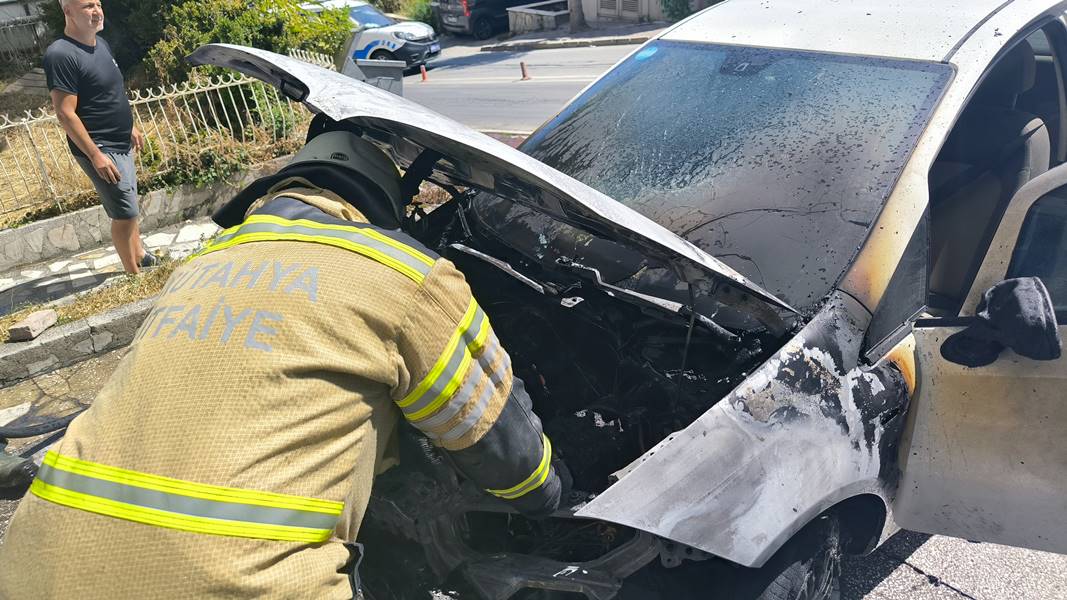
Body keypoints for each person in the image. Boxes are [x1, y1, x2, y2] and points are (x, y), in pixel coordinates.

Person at [0, 127, 564, 599]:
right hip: (240, 584)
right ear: (379, 206)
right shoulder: (406, 273)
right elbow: (499, 445)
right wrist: (549, 495)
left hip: (34, 562)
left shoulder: (205, 263)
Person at [43, 0, 157, 274]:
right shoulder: (61, 54)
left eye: (98, 3)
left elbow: (108, 92)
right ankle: (134, 275)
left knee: (129, 200)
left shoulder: (101, 44)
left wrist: (129, 127)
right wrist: (95, 155)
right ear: (68, 11)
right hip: (100, 147)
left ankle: (139, 253)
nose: (97, 11)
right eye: (87, 6)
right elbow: (65, 113)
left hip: (121, 141)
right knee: (125, 213)